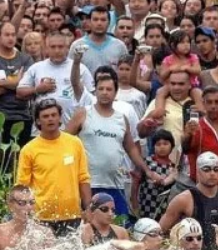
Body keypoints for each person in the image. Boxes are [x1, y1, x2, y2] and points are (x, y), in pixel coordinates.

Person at [66, 74, 160, 216]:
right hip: (87, 184)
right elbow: (64, 141)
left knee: (119, 225)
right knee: (87, 225)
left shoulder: (121, 119)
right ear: (95, 91)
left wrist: (147, 170)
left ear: (115, 93)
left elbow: (131, 148)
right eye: (101, 89)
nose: (104, 92)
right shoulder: (83, 114)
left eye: (109, 89)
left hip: (114, 183)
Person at [17, 101, 91, 235]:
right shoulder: (29, 149)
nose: (50, 119)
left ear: (59, 118)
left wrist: (88, 209)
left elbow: (83, 178)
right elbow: (23, 185)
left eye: (53, 115)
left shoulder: (74, 143)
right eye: (45, 116)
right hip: (40, 218)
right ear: (38, 121)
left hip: (72, 215)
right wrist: (22, 215)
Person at [17, 32, 94, 125]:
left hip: (70, 128)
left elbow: (92, 98)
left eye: (60, 47)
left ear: (67, 48)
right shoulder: (36, 68)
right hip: (40, 130)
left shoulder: (80, 68)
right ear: (46, 49)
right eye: (53, 47)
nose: (57, 50)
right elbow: (19, 93)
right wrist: (37, 89)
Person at [132, 129, 176, 220]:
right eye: (158, 144)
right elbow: (135, 183)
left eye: (165, 143)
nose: (162, 147)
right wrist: (135, 203)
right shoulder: (146, 163)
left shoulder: (173, 168)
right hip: (146, 206)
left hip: (164, 209)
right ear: (153, 147)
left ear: (172, 146)